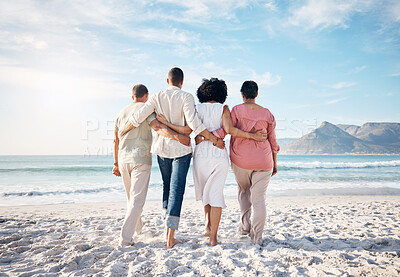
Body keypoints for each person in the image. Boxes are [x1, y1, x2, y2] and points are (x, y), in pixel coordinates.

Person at [118, 68, 224, 248]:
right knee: (177, 192)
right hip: (181, 151)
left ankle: (167, 231)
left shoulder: (157, 96)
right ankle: (170, 236)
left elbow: (138, 117)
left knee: (167, 189)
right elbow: (193, 124)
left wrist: (123, 130)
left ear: (167, 81)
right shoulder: (186, 97)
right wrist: (213, 139)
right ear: (182, 82)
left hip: (161, 150)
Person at [159, 78, 267, 246]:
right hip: (218, 154)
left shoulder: (196, 108)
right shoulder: (223, 108)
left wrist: (198, 135)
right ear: (221, 93)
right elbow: (229, 130)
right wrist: (253, 137)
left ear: (202, 92)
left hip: (201, 154)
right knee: (215, 194)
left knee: (205, 193)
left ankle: (208, 226)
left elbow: (190, 129)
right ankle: (213, 237)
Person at [113, 84, 190, 246]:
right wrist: (178, 137)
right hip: (140, 160)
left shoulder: (121, 112)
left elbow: (116, 139)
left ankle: (138, 230)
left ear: (132, 96)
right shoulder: (147, 109)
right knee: (137, 200)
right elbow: (158, 127)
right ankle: (125, 238)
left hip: (123, 159)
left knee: (131, 199)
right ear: (146, 95)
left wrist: (115, 163)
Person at [230, 80, 279, 245]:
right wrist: (275, 162)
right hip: (264, 161)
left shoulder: (236, 110)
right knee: (259, 200)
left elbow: (229, 130)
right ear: (257, 94)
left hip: (240, 160)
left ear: (242, 94)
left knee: (244, 191)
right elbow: (273, 141)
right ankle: (257, 238)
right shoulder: (267, 114)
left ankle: (245, 226)